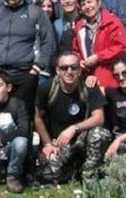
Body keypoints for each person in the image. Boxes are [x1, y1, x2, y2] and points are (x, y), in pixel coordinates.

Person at [34, 52, 110, 183]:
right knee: (46, 176)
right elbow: (38, 117)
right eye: (64, 68)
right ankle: (73, 170)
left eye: (74, 67)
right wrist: (47, 144)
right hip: (58, 142)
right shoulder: (46, 88)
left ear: (80, 70)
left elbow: (99, 118)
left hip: (81, 139)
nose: (69, 71)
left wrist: (74, 128)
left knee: (100, 134)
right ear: (58, 70)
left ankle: (89, 176)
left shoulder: (89, 87)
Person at [71, 0, 126, 89]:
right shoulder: (79, 26)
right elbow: (76, 50)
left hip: (108, 73)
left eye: (90, 2)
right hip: (86, 75)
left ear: (99, 2)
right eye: (83, 4)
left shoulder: (112, 22)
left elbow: (122, 47)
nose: (87, 6)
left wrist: (98, 57)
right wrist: (79, 61)